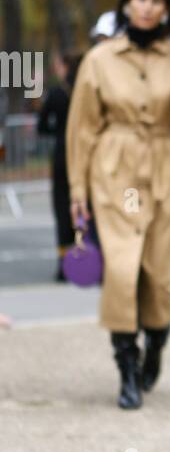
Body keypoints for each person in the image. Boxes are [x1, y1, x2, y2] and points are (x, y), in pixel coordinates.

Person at [65, 0, 170, 409]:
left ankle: (155, 343)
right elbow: (81, 128)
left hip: (165, 165)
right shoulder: (99, 58)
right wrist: (77, 187)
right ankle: (127, 368)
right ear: (127, 3)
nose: (148, 6)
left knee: (157, 273)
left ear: (166, 9)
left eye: (157, 0)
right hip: (114, 168)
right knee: (120, 268)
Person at [37, 51, 83, 281]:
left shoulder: (57, 93)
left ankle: (65, 264)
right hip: (86, 154)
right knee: (84, 206)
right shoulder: (87, 91)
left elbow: (42, 125)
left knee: (63, 208)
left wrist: (59, 131)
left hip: (63, 155)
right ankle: (87, 254)